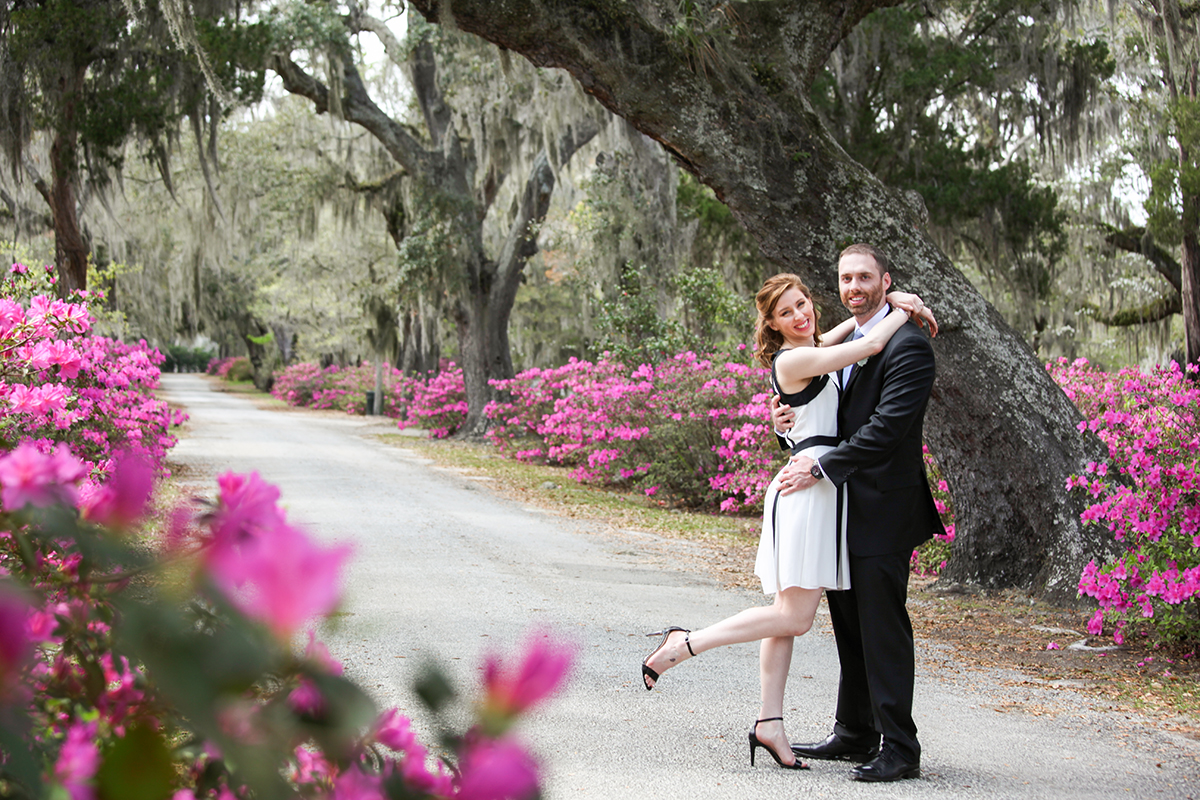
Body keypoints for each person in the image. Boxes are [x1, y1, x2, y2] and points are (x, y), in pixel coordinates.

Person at [639, 271, 935, 772]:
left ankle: (769, 723)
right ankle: (684, 644)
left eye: (803, 304)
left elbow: (843, 333)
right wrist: (904, 305)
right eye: (786, 312)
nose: (801, 315)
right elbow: (870, 340)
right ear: (772, 326)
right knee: (794, 617)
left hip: (816, 487)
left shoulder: (810, 346)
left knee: (784, 611)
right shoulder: (797, 357)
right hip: (807, 492)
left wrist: (884, 301)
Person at [775, 243, 941, 783]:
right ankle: (855, 731)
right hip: (841, 509)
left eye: (865, 278)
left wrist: (820, 470)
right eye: (846, 279)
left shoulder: (909, 347)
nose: (854, 287)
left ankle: (901, 747)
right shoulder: (842, 339)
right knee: (849, 625)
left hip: (883, 509)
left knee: (883, 627)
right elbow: (819, 411)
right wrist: (785, 422)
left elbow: (886, 431)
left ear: (884, 280)